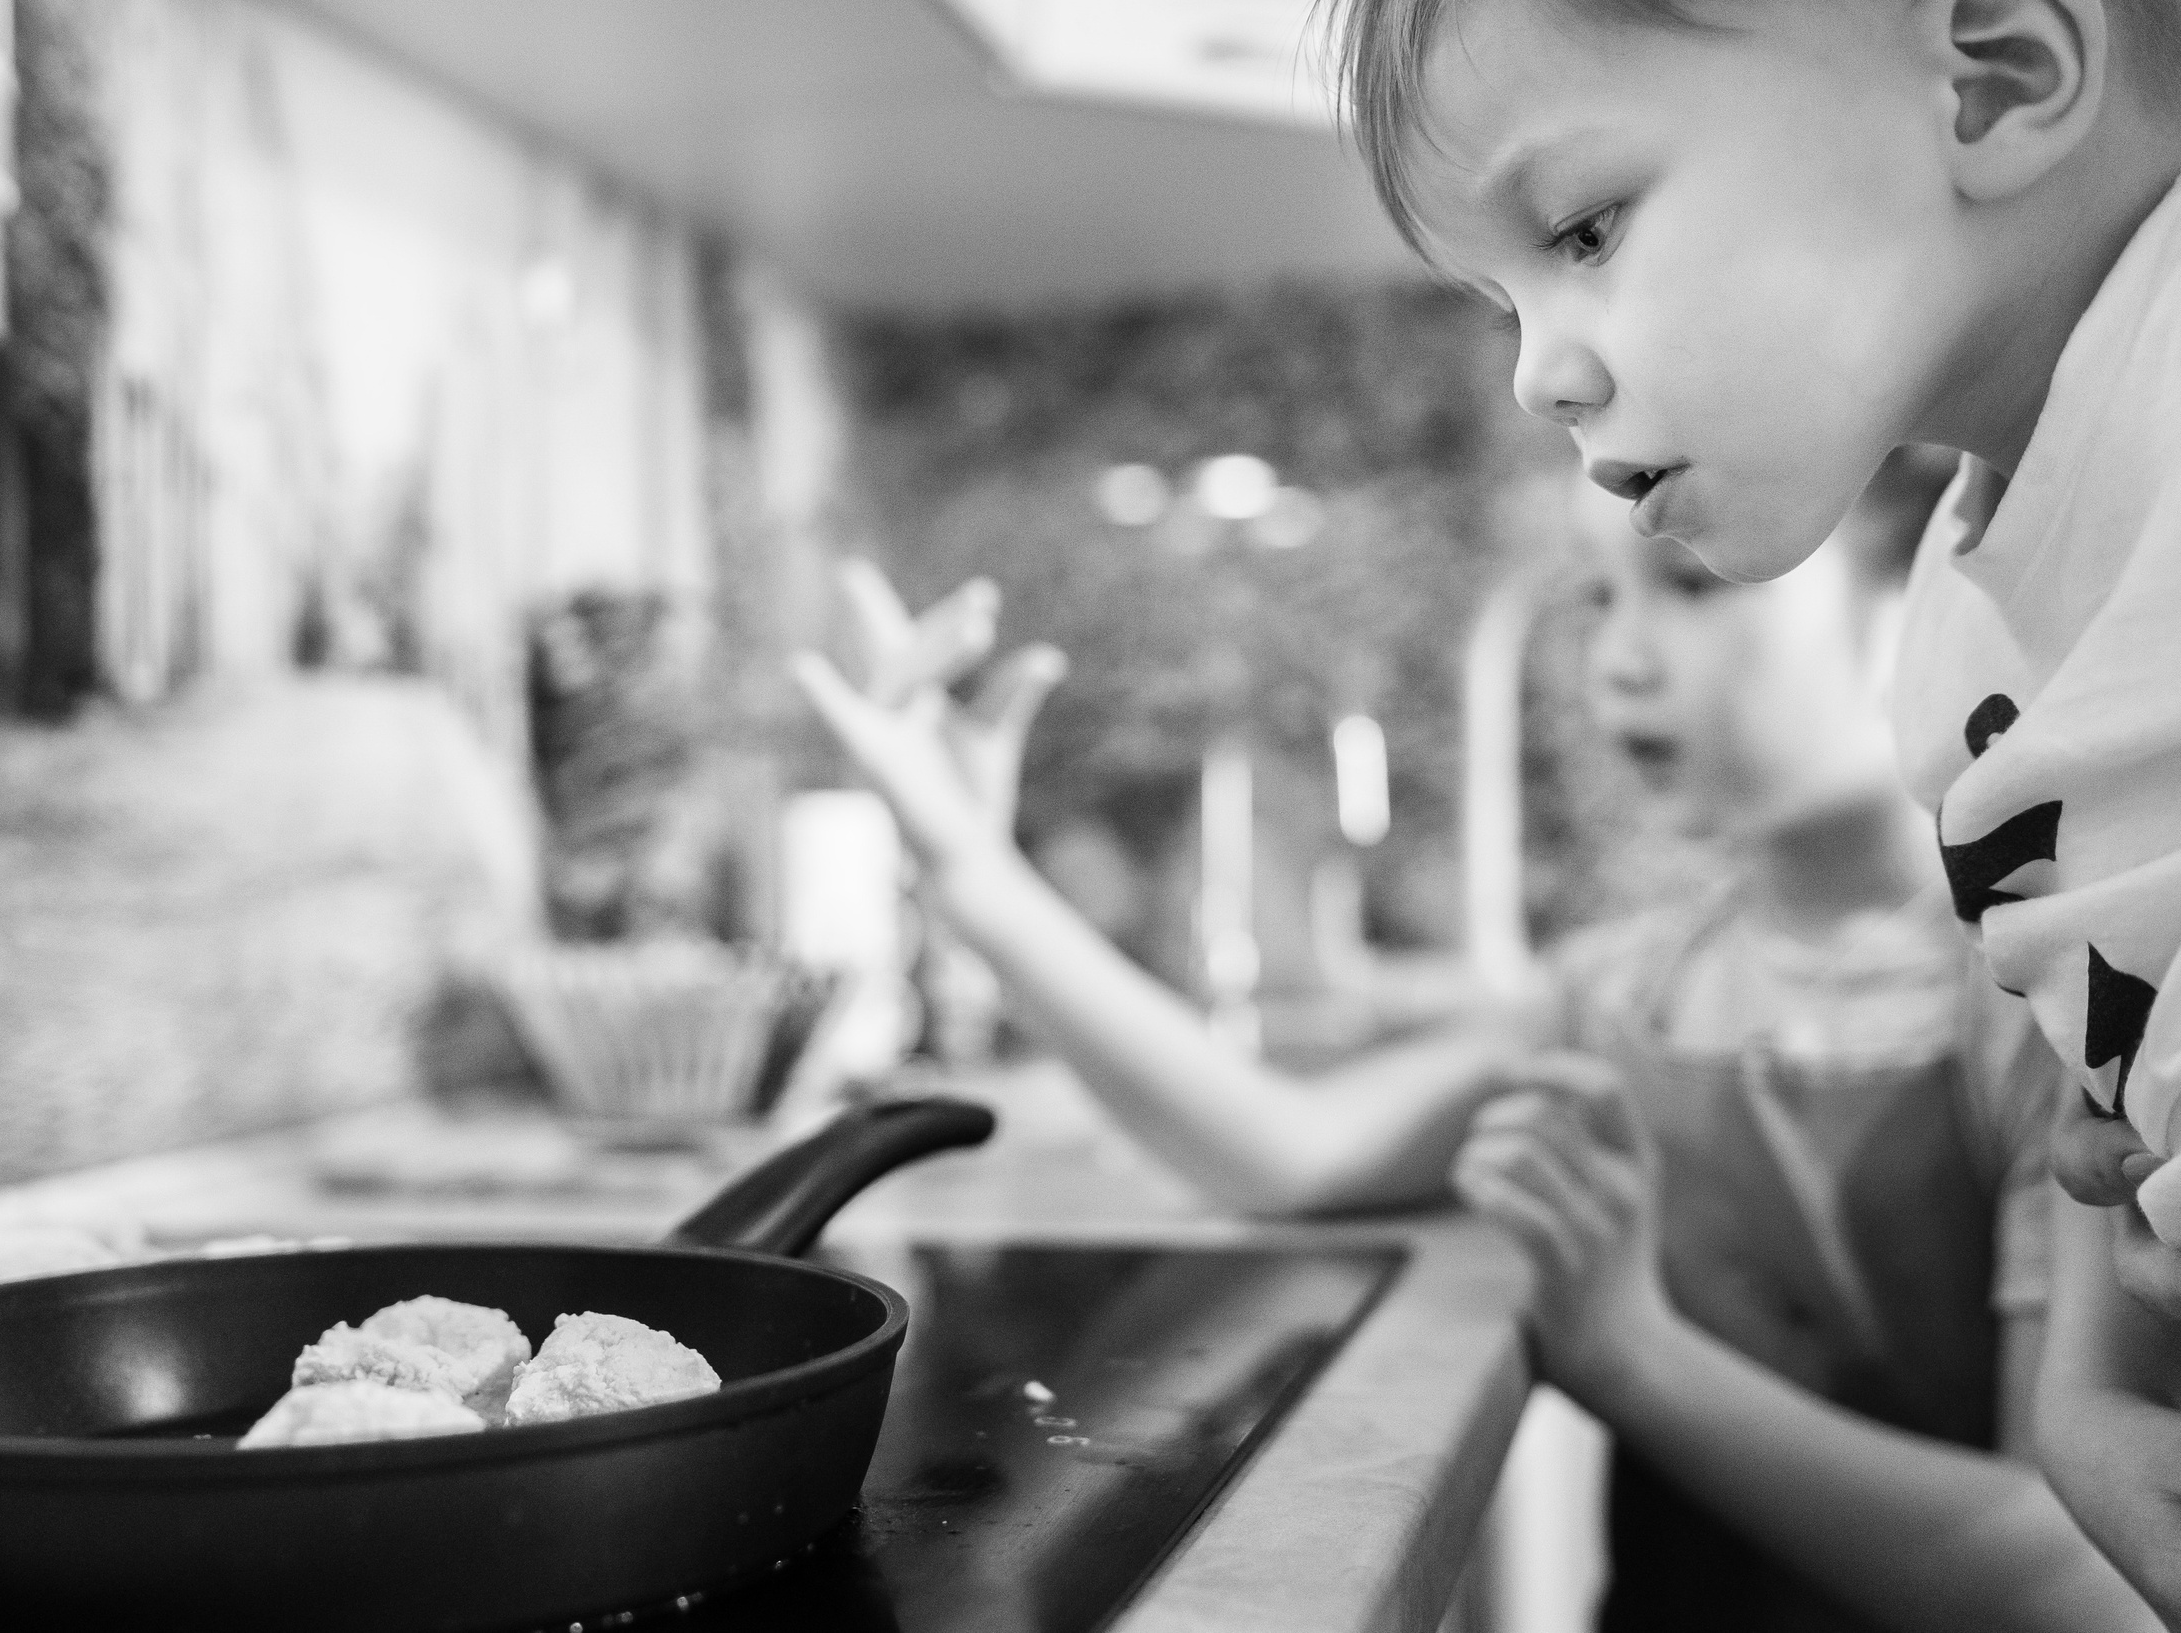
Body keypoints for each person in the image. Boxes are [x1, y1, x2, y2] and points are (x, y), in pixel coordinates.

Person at [795, 451, 2151, 1631]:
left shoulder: (2056, 1003)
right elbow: (1292, 1156)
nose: (1617, 657)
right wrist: (975, 879)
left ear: (1930, 607)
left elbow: (2082, 1582)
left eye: (1690, 588)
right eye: (1600, 601)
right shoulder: (1632, 991)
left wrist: (1631, 1359)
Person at [1314, 0, 2181, 1609]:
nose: (1535, 369)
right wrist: (2085, 1395)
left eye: (1584, 231)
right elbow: (2095, 1036)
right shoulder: (1958, 637)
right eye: (1509, 297)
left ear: (1996, 73)